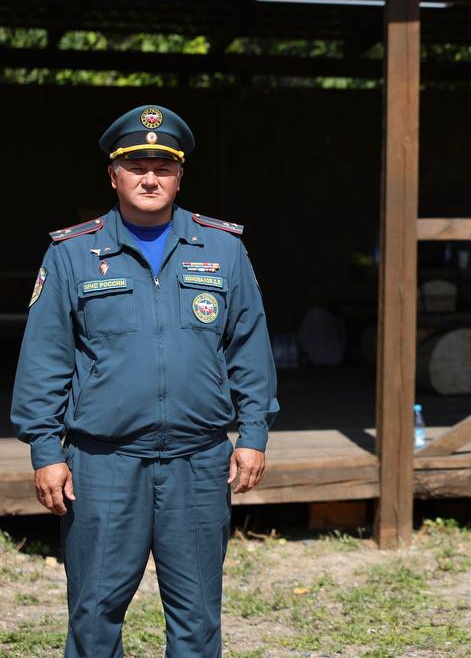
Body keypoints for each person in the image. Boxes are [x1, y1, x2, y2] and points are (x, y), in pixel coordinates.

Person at [10, 104, 278, 658]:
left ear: (181, 176)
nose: (150, 178)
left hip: (198, 462)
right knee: (95, 611)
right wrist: (44, 449)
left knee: (198, 615)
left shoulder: (223, 249)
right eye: (136, 166)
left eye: (163, 166)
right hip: (103, 465)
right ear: (113, 175)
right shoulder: (72, 254)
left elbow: (250, 347)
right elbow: (45, 359)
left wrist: (253, 434)